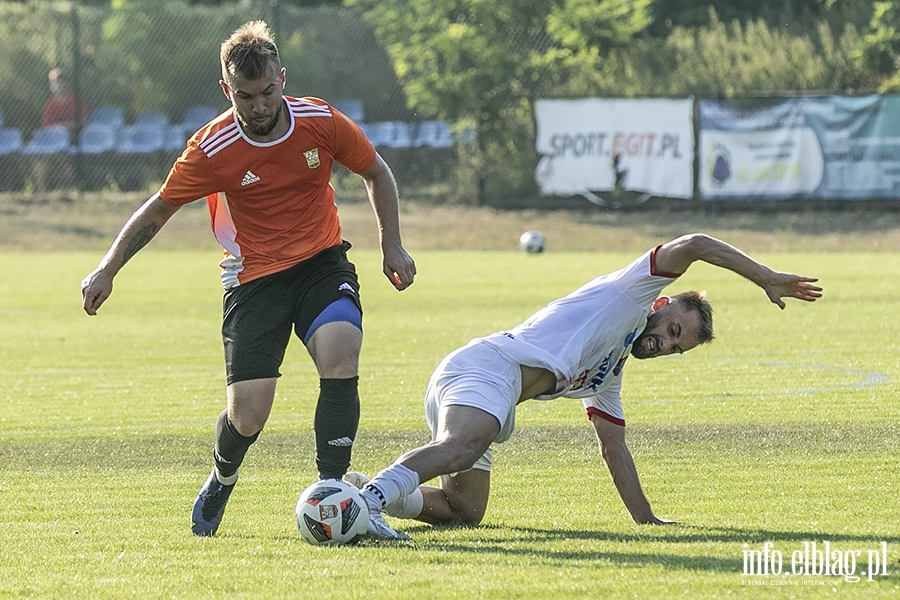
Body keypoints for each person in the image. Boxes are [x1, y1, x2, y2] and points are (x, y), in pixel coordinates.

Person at [80, 21, 416, 537]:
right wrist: (108, 268)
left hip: (321, 263)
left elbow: (377, 172)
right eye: (245, 96)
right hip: (253, 279)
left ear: (282, 79)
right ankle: (222, 476)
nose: (258, 107)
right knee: (249, 417)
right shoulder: (212, 148)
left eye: (267, 93)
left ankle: (333, 497)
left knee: (341, 353)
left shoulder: (320, 122)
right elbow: (158, 210)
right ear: (226, 89)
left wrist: (391, 243)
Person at [350, 234, 822, 540]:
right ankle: (367, 505)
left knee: (464, 509)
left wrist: (647, 521)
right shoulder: (629, 293)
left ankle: (374, 493)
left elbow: (613, 447)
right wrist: (765, 277)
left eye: (677, 350)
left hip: (492, 389)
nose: (665, 346)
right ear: (660, 303)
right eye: (673, 332)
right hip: (487, 368)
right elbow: (696, 243)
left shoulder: (610, 369)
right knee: (462, 447)